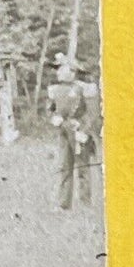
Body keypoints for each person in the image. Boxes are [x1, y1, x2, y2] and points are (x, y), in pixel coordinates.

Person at [47, 55, 93, 209]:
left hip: (78, 130)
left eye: (61, 68)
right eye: (57, 69)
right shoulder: (54, 90)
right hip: (63, 132)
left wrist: (84, 131)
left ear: (72, 71)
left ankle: (85, 204)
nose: (57, 72)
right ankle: (63, 205)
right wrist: (54, 117)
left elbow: (92, 113)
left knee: (82, 167)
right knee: (64, 167)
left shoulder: (84, 88)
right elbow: (51, 109)